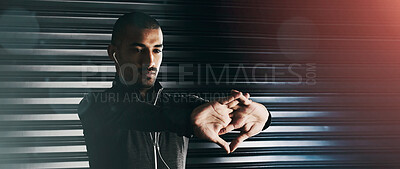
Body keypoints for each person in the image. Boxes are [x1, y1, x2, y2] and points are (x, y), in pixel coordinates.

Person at [77, 11, 271, 169]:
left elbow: (231, 114)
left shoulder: (181, 103)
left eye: (156, 50)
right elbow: (138, 114)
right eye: (138, 50)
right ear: (114, 53)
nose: (150, 61)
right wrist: (189, 120)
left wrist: (263, 115)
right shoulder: (94, 104)